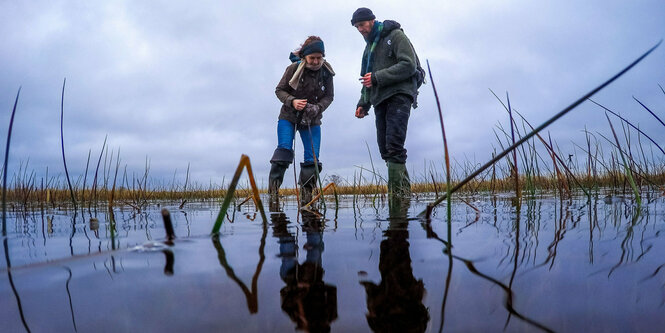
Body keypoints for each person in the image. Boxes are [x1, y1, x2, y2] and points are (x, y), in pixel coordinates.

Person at [351, 7, 420, 196]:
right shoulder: (368, 50)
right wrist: (362, 104)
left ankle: (398, 197)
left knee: (394, 145)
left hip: (400, 94)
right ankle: (403, 193)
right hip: (379, 99)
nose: (360, 30)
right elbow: (367, 80)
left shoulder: (395, 36)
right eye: (357, 27)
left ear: (372, 20)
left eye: (362, 25)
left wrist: (377, 77)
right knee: (385, 149)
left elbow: (409, 65)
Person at [269, 36, 335, 206]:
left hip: (311, 120)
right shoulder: (293, 69)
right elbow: (279, 90)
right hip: (288, 117)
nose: (315, 61)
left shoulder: (327, 73)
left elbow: (329, 96)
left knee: (312, 158)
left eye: (319, 58)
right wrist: (292, 101)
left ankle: (307, 197)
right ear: (304, 57)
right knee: (283, 153)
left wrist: (318, 108)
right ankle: (273, 194)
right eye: (312, 58)